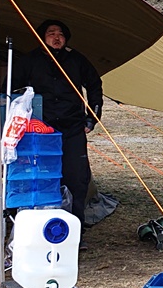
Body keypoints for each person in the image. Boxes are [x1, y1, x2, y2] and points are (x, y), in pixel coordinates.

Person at [19, 19, 102, 228]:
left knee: (76, 176)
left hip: (73, 127)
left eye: (61, 34)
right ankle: (42, 225)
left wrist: (92, 118)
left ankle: (75, 227)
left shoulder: (76, 59)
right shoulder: (29, 60)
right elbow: (11, 90)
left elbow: (94, 85)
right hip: (41, 129)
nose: (57, 38)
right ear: (41, 37)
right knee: (43, 176)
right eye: (51, 33)